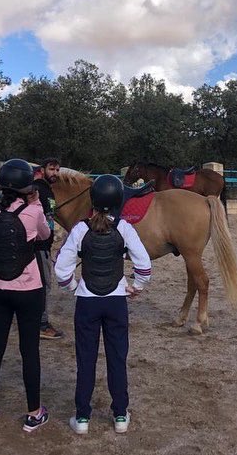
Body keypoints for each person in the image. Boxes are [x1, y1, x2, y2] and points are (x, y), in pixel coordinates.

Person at [54, 174, 152, 435]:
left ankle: (83, 418)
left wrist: (74, 288)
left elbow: (62, 271)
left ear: (93, 201)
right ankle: (120, 414)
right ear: (119, 200)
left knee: (85, 359)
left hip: (87, 303)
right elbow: (144, 265)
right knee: (117, 358)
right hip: (116, 302)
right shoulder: (125, 228)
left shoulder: (80, 229)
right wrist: (137, 288)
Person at [0, 159, 51, 433]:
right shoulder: (33, 212)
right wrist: (36, 204)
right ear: (26, 187)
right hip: (29, 289)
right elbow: (45, 233)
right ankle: (34, 412)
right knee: (29, 350)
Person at [33, 157, 64, 339]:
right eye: (52, 169)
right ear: (43, 169)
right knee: (44, 285)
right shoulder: (38, 189)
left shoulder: (47, 189)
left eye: (57, 169)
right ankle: (42, 325)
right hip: (38, 246)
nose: (55, 173)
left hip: (45, 245)